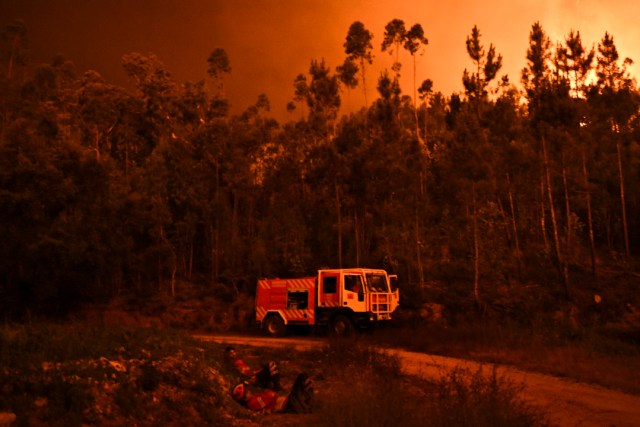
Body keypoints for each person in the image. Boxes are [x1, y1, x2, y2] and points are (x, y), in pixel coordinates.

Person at [231, 372, 314, 414]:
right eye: (247, 392)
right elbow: (271, 395)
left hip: (288, 402)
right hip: (288, 404)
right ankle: (305, 406)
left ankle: (306, 404)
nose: (249, 391)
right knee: (302, 376)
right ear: (244, 397)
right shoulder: (253, 403)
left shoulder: (253, 401)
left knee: (303, 381)